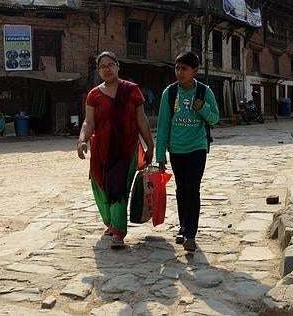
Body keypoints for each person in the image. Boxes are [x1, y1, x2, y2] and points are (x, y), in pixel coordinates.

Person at [76, 51, 154, 248]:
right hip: (101, 151)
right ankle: (111, 223)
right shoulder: (94, 95)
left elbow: (142, 120)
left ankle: (118, 233)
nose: (107, 69)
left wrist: (150, 145)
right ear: (98, 71)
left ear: (118, 67)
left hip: (126, 150)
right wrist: (82, 140)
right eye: (102, 66)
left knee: (118, 188)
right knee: (100, 187)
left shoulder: (132, 90)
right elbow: (88, 122)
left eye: (110, 64)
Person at [156, 51, 219, 252]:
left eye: (184, 68)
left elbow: (215, 118)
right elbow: (163, 125)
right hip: (176, 149)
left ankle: (190, 234)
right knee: (181, 189)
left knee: (192, 188)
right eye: (177, 68)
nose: (179, 72)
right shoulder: (169, 93)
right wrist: (160, 155)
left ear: (195, 71)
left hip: (197, 147)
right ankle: (183, 228)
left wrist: (203, 108)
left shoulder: (204, 92)